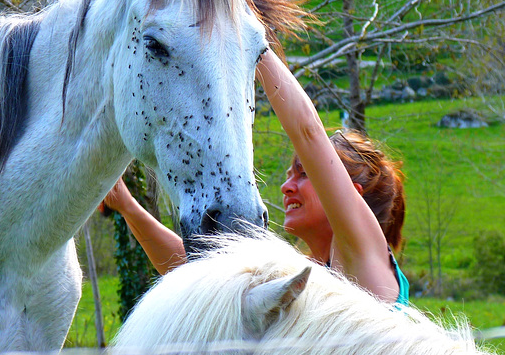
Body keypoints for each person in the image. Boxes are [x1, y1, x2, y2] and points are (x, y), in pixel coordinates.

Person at [102, 48, 408, 305]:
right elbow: (192, 272)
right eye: (290, 175)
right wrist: (128, 206)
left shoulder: (366, 261)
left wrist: (253, 40)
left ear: (351, 195)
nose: (286, 187)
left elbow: (308, 132)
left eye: (304, 174)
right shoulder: (304, 280)